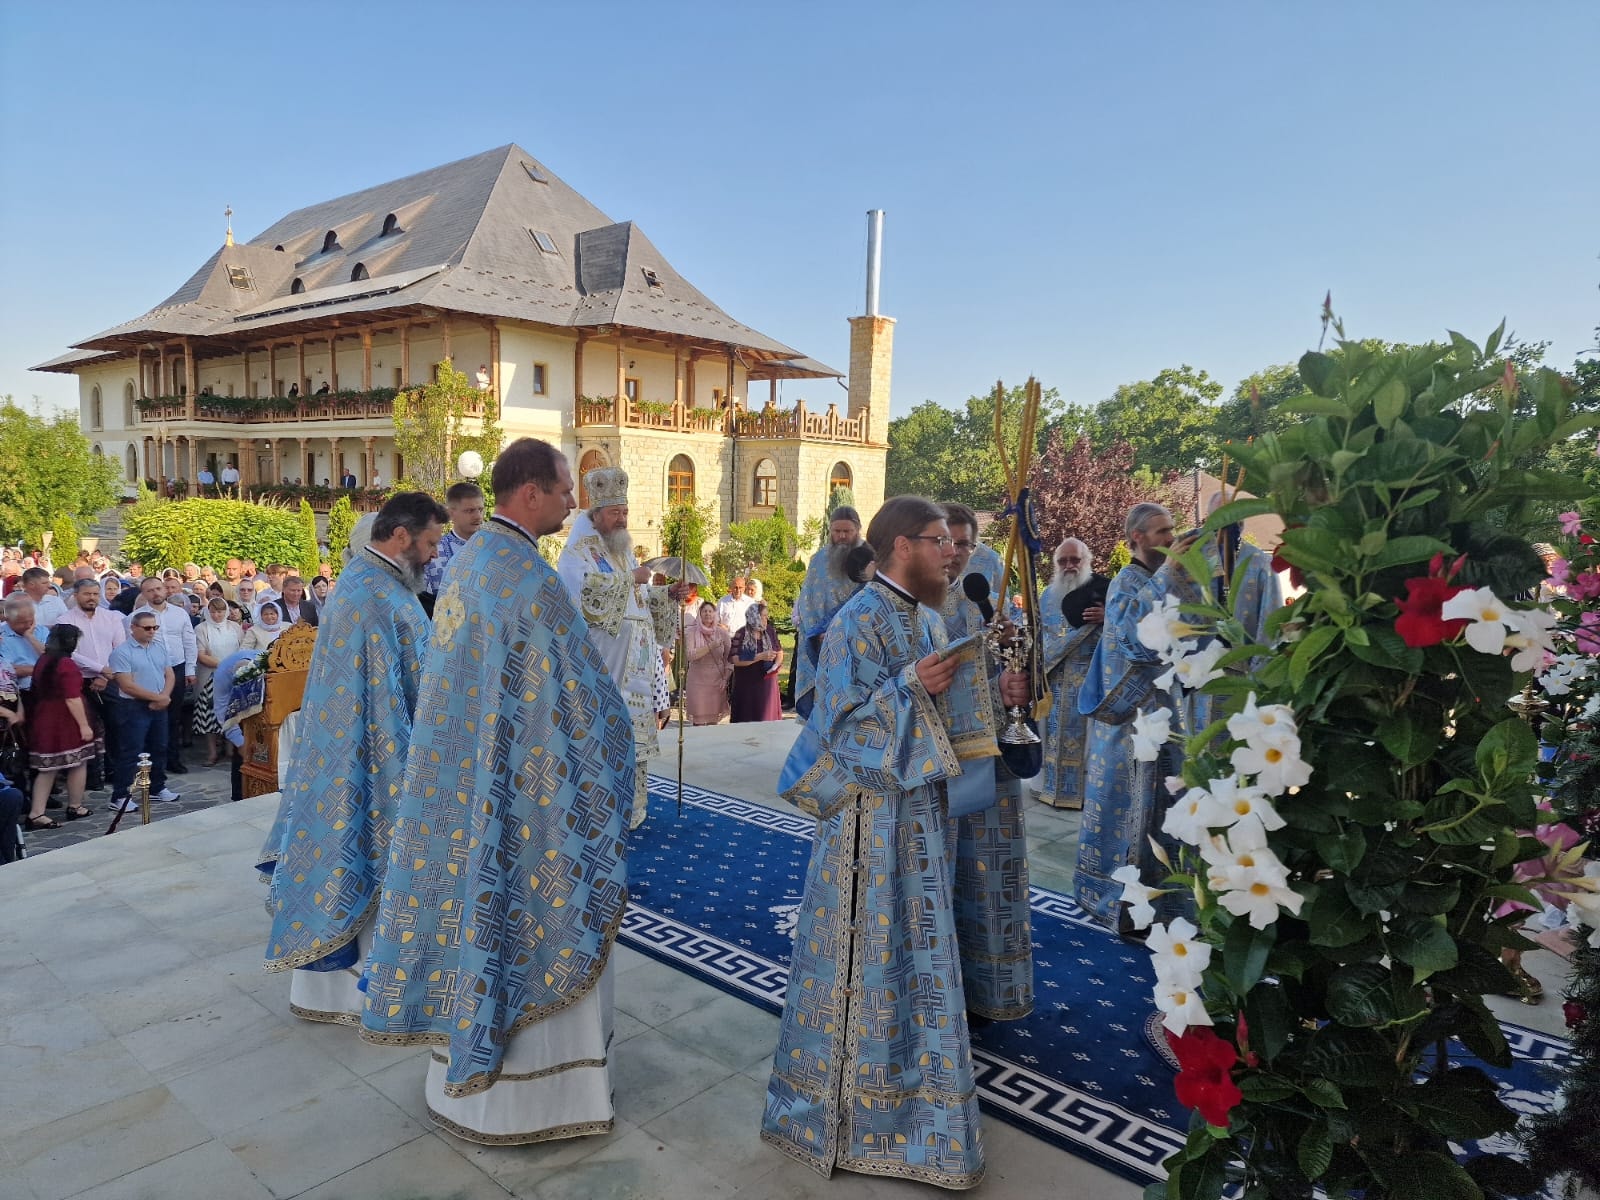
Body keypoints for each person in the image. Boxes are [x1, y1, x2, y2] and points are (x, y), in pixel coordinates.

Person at [359, 438, 636, 1145]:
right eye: (567, 488)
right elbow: (584, 702)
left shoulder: (474, 561)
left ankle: (464, 1074)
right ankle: (544, 1099)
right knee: (529, 910)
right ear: (533, 493)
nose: (574, 501)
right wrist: (621, 730)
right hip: (522, 800)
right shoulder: (526, 577)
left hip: (469, 781)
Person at [761, 496, 1032, 1188]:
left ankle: (918, 1106)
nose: (951, 552)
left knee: (916, 956)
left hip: (922, 820)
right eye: (939, 540)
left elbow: (941, 716)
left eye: (952, 540)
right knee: (872, 958)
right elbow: (844, 732)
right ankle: (849, 1118)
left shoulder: (932, 617)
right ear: (901, 545)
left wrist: (990, 687)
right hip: (867, 829)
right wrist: (911, 685)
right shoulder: (858, 619)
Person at [259, 491, 444, 1024]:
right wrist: (413, 765)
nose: (435, 555)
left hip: (352, 754)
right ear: (402, 536)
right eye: (431, 543)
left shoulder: (372, 584)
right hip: (368, 759)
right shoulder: (375, 596)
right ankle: (355, 997)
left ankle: (344, 995)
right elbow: (388, 699)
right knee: (362, 861)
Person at [1076, 503, 1203, 931]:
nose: (1170, 537)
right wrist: (1170, 575)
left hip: (1165, 716)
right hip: (1131, 724)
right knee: (1130, 811)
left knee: (1165, 810)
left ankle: (1166, 902)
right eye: (1162, 532)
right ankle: (1119, 901)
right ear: (1136, 539)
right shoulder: (1127, 583)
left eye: (1172, 530)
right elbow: (1134, 641)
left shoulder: (1159, 578)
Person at [939, 502, 1034, 1022]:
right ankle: (944, 988)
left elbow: (1017, 667)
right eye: (946, 542)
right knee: (944, 879)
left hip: (991, 761)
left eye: (964, 544)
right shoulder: (919, 606)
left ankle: (992, 987)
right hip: (940, 766)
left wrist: (1017, 686)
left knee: (991, 875)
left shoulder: (992, 607)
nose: (955, 554)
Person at [555, 467, 681, 830]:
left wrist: (664, 595)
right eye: (615, 512)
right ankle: (602, 810)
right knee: (605, 737)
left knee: (636, 741)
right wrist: (630, 579)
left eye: (625, 511)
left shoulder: (621, 552)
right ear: (596, 515)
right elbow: (584, 597)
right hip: (605, 665)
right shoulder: (577, 553)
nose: (622, 518)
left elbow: (637, 602)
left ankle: (634, 808)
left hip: (636, 664)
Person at [1036, 538, 1108, 811]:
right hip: (1054, 679)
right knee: (1050, 737)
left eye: (1075, 560)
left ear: (1087, 560)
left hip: (1089, 680)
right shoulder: (1046, 597)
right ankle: (1048, 788)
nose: (1069, 566)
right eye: (1062, 561)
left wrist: (1108, 616)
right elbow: (1038, 636)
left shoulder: (1106, 594)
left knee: (1088, 742)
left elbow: (1123, 633)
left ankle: (1085, 793)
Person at [791, 506, 865, 719]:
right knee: (820, 708)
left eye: (847, 531)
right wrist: (816, 633)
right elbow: (808, 600)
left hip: (852, 638)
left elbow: (868, 598)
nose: (841, 536)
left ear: (858, 529)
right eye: (836, 531)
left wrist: (836, 629)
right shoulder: (818, 560)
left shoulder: (868, 559)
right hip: (818, 640)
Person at [24, 625, 100, 825]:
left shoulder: (44, 659)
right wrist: (84, 725)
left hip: (44, 716)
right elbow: (72, 698)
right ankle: (75, 806)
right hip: (64, 719)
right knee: (78, 762)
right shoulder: (66, 664)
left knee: (48, 768)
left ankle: (37, 813)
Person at [106, 611, 179, 814]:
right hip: (134, 706)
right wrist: (158, 698)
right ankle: (120, 795)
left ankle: (157, 787)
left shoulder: (159, 647)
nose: (152, 632)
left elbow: (169, 674)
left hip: (159, 703)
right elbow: (127, 685)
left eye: (155, 627)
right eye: (147, 628)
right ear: (134, 628)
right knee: (131, 750)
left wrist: (164, 696)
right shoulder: (122, 652)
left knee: (160, 746)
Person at [59, 577, 126, 782]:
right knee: (85, 727)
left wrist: (104, 675)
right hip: (79, 681)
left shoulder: (112, 617)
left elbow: (120, 648)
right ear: (76, 595)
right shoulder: (65, 620)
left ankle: (114, 771)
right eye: (87, 594)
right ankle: (91, 775)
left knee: (115, 724)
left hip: (109, 679)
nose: (92, 598)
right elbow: (70, 653)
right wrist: (100, 669)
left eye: (95, 594)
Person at [130, 576, 196, 776]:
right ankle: (151, 760)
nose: (156, 593)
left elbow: (189, 641)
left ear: (165, 590)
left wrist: (190, 669)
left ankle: (172, 758)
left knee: (173, 716)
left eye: (159, 588)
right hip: (151, 670)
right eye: (150, 590)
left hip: (176, 667)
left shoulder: (179, 614)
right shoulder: (137, 617)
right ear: (144, 594)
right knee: (152, 714)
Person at [194, 597, 243, 765]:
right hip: (211, 677)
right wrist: (224, 665)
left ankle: (230, 748)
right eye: (213, 611)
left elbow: (242, 649)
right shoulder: (201, 629)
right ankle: (212, 752)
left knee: (232, 713)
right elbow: (201, 655)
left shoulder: (235, 627)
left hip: (234, 677)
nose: (217, 615)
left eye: (220, 611)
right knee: (210, 715)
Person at [421, 481, 486, 599]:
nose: (478, 516)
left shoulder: (493, 549)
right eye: (470, 511)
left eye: (480, 510)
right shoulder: (433, 552)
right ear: (451, 513)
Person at [729, 602, 782, 722]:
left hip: (767, 683)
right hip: (748, 685)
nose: (766, 619)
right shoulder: (742, 633)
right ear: (754, 616)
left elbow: (779, 651)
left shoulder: (769, 631)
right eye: (763, 616)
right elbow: (736, 660)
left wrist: (775, 665)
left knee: (767, 720)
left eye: (766, 615)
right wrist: (760, 656)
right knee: (747, 719)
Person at [683, 601, 731, 725]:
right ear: (700, 613)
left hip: (716, 681)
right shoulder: (691, 631)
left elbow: (729, 659)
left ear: (715, 614)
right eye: (705, 611)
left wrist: (725, 679)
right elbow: (690, 655)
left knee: (713, 722)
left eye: (710, 611)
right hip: (697, 681)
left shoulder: (722, 633)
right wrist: (710, 646)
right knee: (698, 721)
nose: (707, 614)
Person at [1, 596, 49, 695]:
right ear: (8, 619)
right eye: (22, 622)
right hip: (17, 692)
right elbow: (6, 670)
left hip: (46, 688)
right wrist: (41, 669)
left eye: (31, 621)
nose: (28, 626)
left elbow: (51, 659)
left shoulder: (42, 631)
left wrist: (30, 637)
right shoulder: (2, 636)